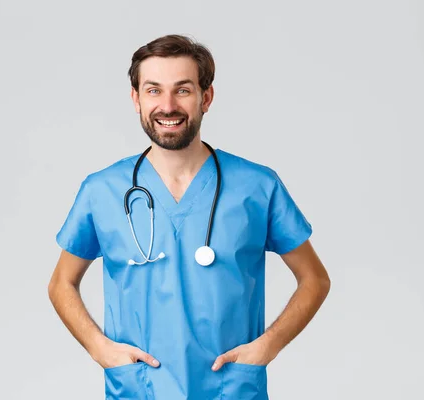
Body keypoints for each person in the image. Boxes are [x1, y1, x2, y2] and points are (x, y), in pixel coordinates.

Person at [48, 34, 331, 400]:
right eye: (153, 91)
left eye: (182, 90)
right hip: (140, 389)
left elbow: (314, 280)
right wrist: (99, 348)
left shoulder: (257, 186)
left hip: (231, 388)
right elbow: (60, 284)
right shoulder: (101, 190)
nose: (167, 106)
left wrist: (268, 346)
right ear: (135, 99)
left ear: (206, 97)